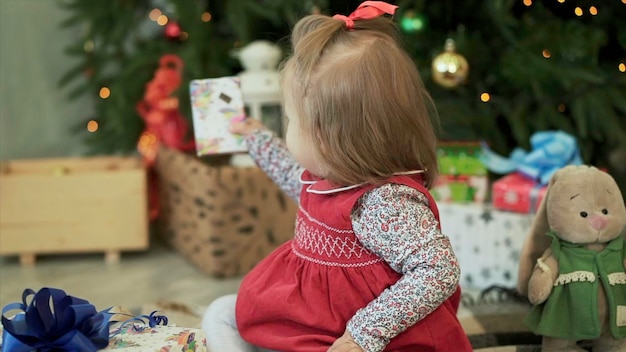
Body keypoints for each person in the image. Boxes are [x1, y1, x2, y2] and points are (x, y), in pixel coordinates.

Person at [202, 2, 472, 351]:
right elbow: (290, 174)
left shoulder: (384, 204)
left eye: (290, 121)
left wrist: (362, 335)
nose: (287, 130)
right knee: (223, 312)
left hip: (356, 339)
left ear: (330, 139)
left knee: (227, 320)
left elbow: (439, 271)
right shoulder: (328, 173)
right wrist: (254, 137)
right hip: (313, 320)